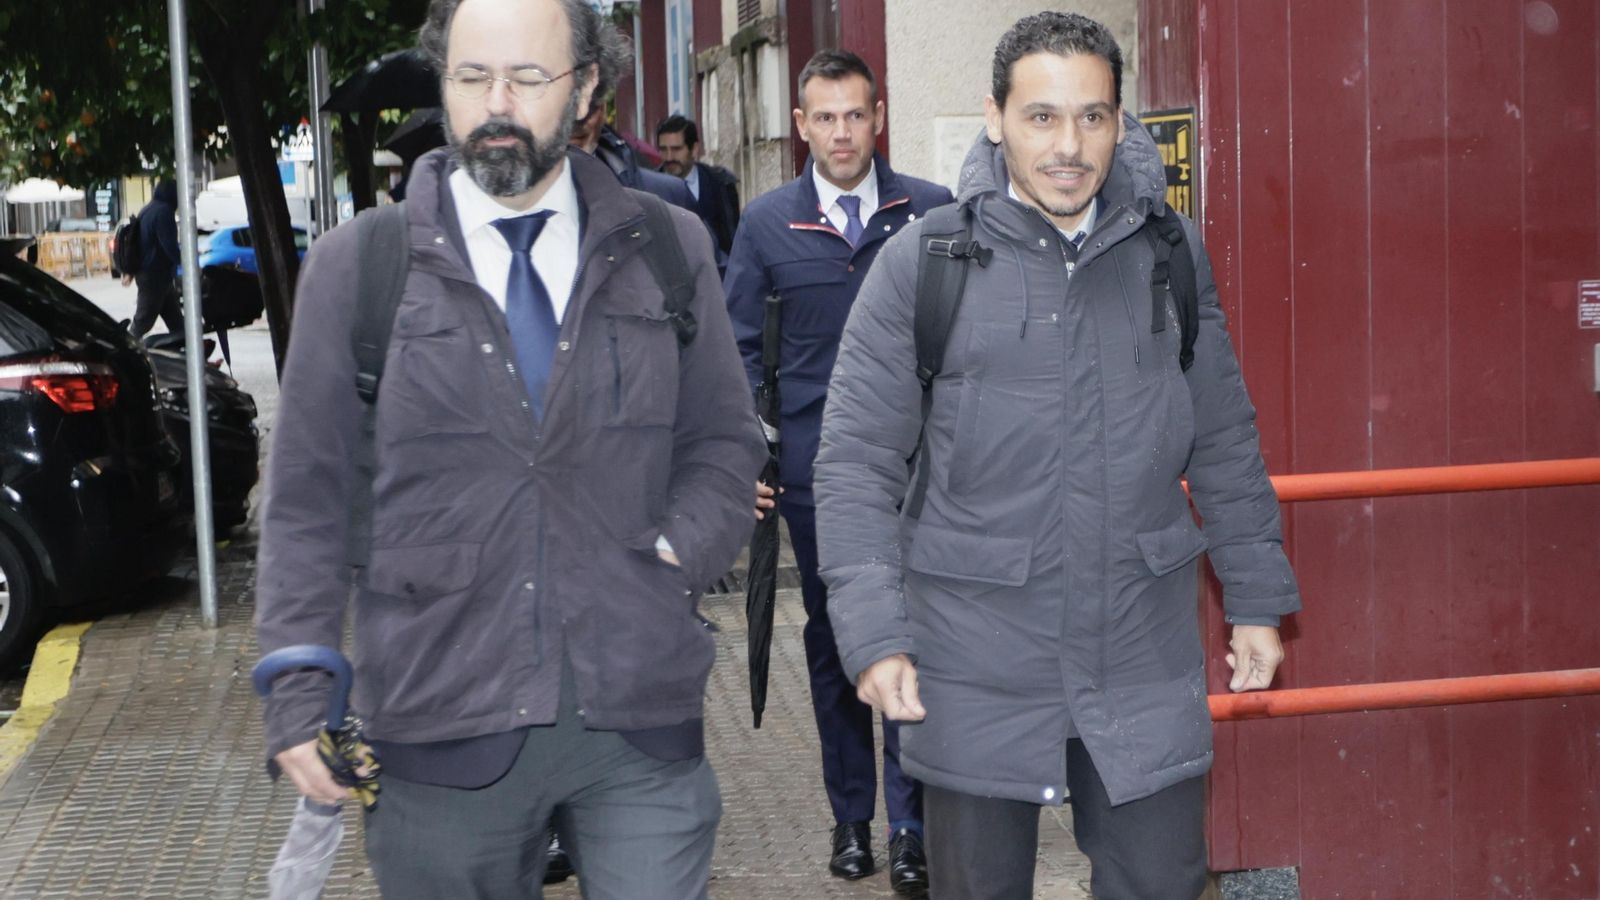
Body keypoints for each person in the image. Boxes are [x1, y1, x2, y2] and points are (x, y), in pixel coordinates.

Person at [254, 0, 764, 897]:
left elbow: (724, 439)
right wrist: (299, 680)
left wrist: (678, 549)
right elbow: (306, 497)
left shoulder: (666, 248)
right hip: (439, 717)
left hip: (637, 711)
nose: (496, 103)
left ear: (586, 88)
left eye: (527, 77)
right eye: (471, 77)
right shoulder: (359, 268)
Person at [814, 12, 1302, 899]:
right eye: (1041, 116)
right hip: (973, 657)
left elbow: (1224, 438)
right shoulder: (926, 262)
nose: (1069, 146)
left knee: (1163, 883)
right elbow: (854, 463)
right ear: (995, 118)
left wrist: (1257, 598)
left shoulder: (1169, 255)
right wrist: (875, 634)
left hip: (1140, 650)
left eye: (1092, 116)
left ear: (1120, 122)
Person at [721, 48, 952, 898]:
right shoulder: (766, 226)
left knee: (919, 643)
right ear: (802, 126)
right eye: (825, 117)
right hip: (818, 483)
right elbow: (736, 355)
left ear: (878, 117)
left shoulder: (930, 212)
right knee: (839, 646)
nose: (842, 132)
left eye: (856, 114)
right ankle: (851, 818)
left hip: (924, 478)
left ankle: (912, 827)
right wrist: (749, 455)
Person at [656, 115, 740, 257]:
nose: (669, 157)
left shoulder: (720, 184)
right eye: (663, 149)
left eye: (676, 149)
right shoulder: (648, 187)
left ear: (694, 149)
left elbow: (732, 237)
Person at [127, 180, 184, 337]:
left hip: (152, 274)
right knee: (142, 322)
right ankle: (124, 347)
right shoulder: (164, 212)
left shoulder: (148, 209)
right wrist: (185, 261)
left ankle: (187, 347)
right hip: (155, 276)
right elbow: (169, 245)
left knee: (176, 322)